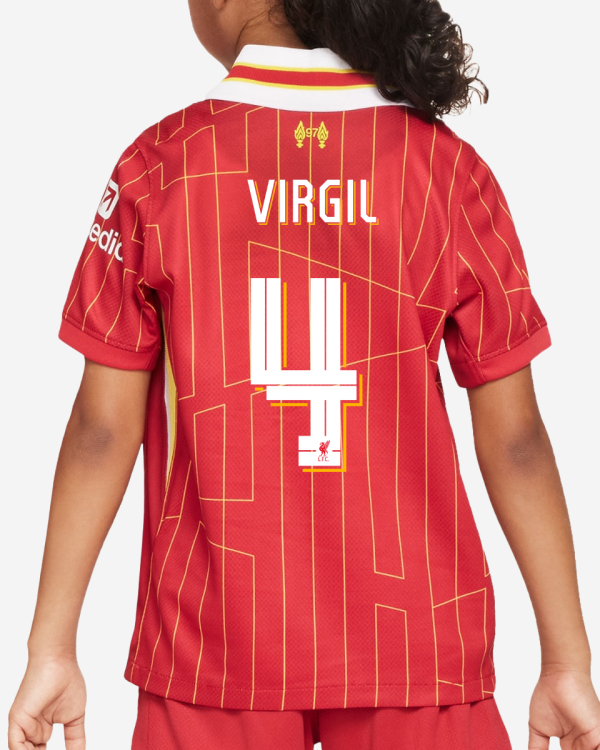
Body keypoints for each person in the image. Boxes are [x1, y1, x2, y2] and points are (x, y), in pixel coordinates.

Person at [8, 0, 600, 747]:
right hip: (417, 648)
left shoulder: (159, 166)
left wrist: (51, 647)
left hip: (213, 647)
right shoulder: (449, 172)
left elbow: (102, 429)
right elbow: (517, 442)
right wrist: (567, 661)